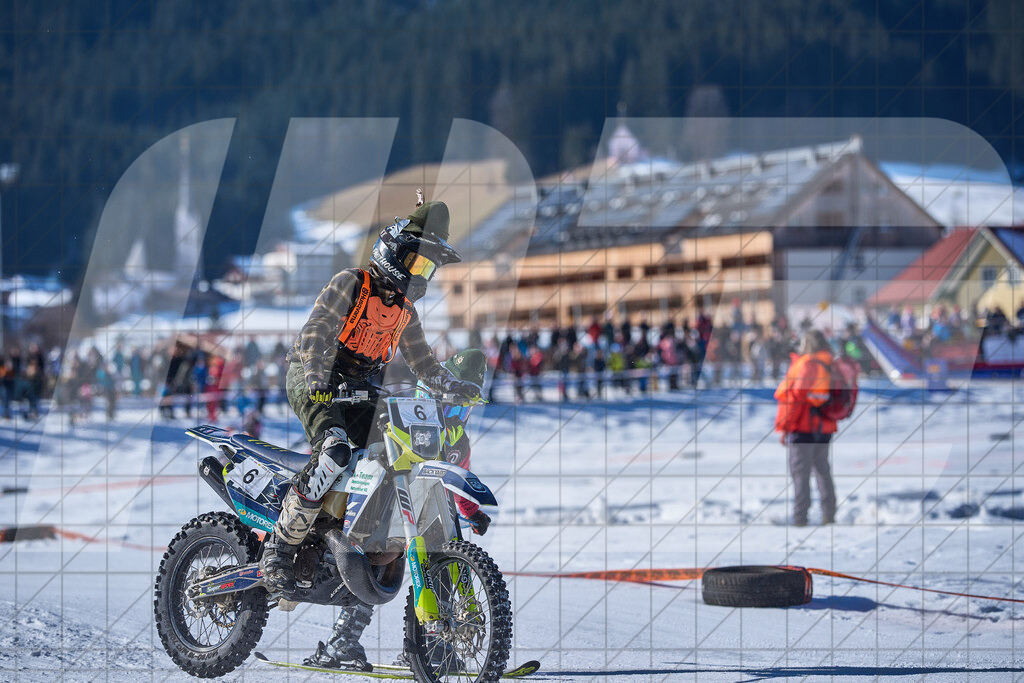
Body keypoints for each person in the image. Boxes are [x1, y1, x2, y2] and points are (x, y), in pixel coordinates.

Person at [259, 196, 480, 670]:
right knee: (336, 450)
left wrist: (453, 385)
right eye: (417, 260)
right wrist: (318, 377)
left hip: (363, 393)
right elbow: (317, 331)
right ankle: (279, 548)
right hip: (314, 380)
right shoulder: (350, 283)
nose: (422, 273)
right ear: (392, 253)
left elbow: (425, 364)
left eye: (428, 266)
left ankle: (353, 634)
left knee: (386, 492)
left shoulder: (404, 312)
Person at [303, 349, 491, 671]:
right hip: (379, 500)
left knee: (442, 562)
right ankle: (342, 642)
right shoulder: (412, 409)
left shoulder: (457, 439)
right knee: (372, 560)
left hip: (423, 515)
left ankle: (430, 645)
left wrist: (471, 511)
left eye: (465, 407)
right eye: (454, 403)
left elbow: (456, 479)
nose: (457, 412)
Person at [773, 329, 837, 526]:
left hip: (802, 428)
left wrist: (784, 427)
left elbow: (794, 400)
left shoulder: (806, 364)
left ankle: (800, 517)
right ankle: (829, 513)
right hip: (824, 428)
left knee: (801, 474)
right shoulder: (829, 363)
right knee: (823, 472)